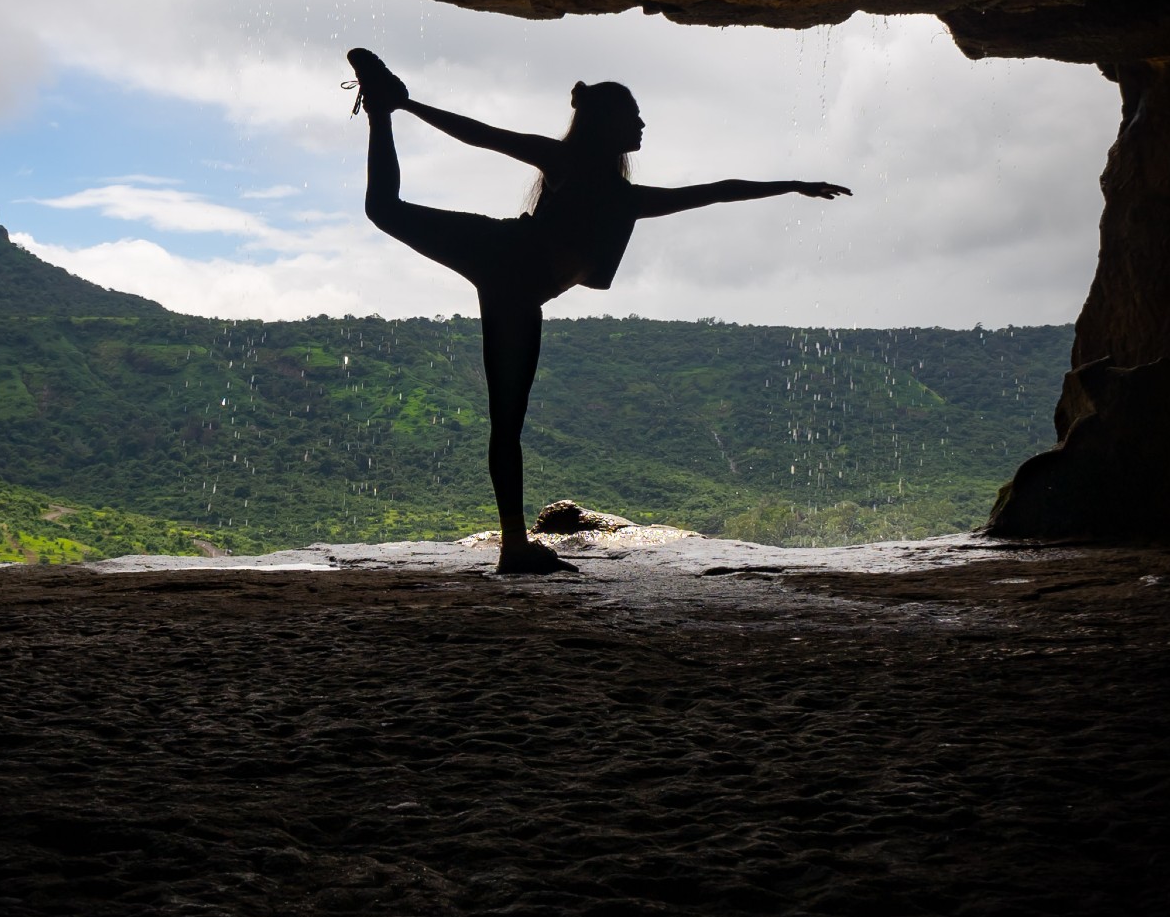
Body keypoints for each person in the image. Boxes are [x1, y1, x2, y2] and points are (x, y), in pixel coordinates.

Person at [345, 48, 851, 574]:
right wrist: (407, 105)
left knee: (507, 421)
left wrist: (793, 185)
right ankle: (382, 103)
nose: (642, 125)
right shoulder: (567, 165)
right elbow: (481, 134)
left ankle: (514, 546)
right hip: (502, 255)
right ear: (607, 124)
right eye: (634, 116)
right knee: (385, 211)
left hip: (514, 289)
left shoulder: (625, 198)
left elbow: (717, 193)